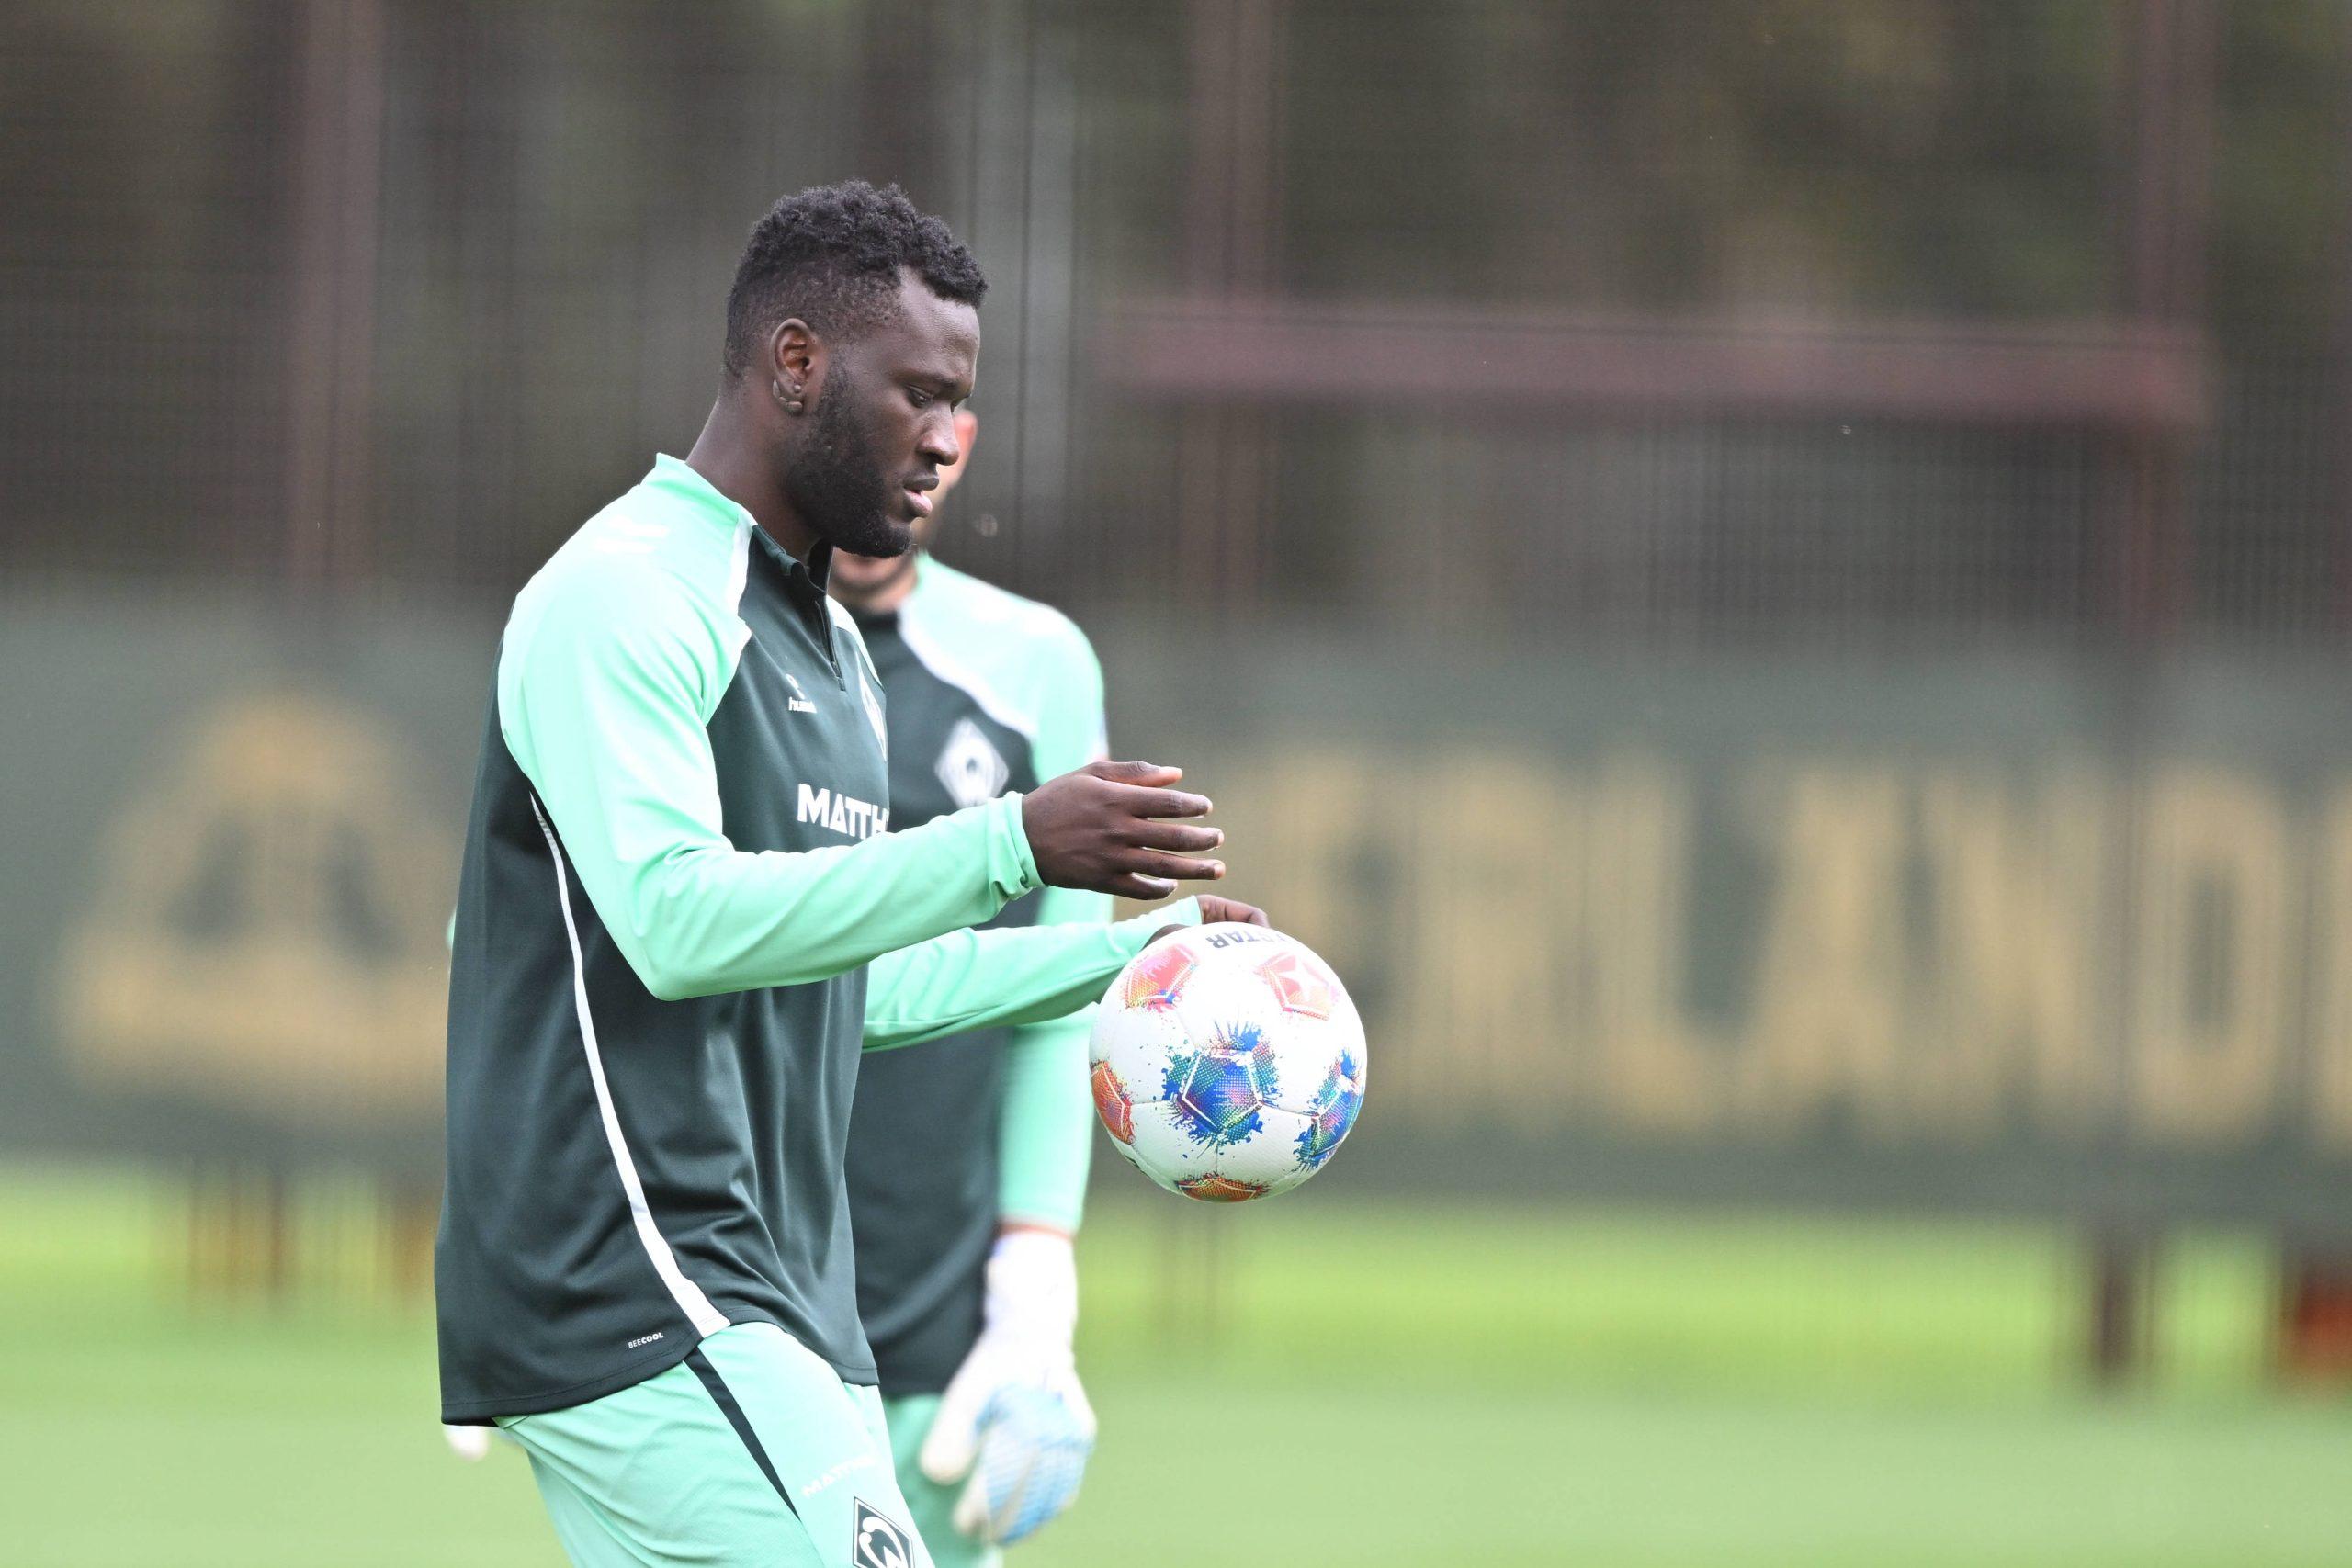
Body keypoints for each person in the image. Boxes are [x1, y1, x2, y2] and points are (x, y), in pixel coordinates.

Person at [435, 180, 1266, 1568]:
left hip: (785, 1307)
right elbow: (676, 924)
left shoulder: (827, 652)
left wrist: (1126, 957)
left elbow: (840, 987)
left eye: (962, 404)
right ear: (797, 363)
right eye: (919, 394)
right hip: (645, 1287)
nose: (946, 438)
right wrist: (1011, 842)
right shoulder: (625, 593)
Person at [830, 412, 1107, 1562]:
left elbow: (1060, 996)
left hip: (936, 1327)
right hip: (710, 1297)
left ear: (962, 440)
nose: (896, 453)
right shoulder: (685, 642)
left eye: (930, 413)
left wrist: (1036, 1281)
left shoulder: (1037, 663)